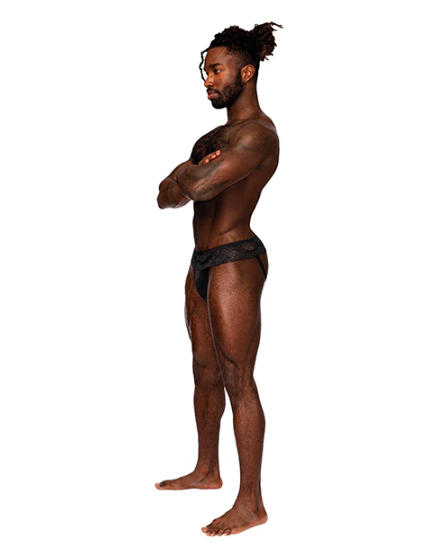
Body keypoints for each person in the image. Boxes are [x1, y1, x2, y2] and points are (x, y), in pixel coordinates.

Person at [155, 22, 283, 537]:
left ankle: (251, 503)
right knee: (204, 370)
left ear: (246, 73)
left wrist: (188, 176)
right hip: (201, 260)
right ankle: (207, 469)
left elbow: (199, 186)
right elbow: (163, 196)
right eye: (205, 71)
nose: (207, 80)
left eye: (216, 70)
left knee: (237, 376)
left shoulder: (258, 135)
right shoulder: (212, 138)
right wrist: (188, 178)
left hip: (235, 258)